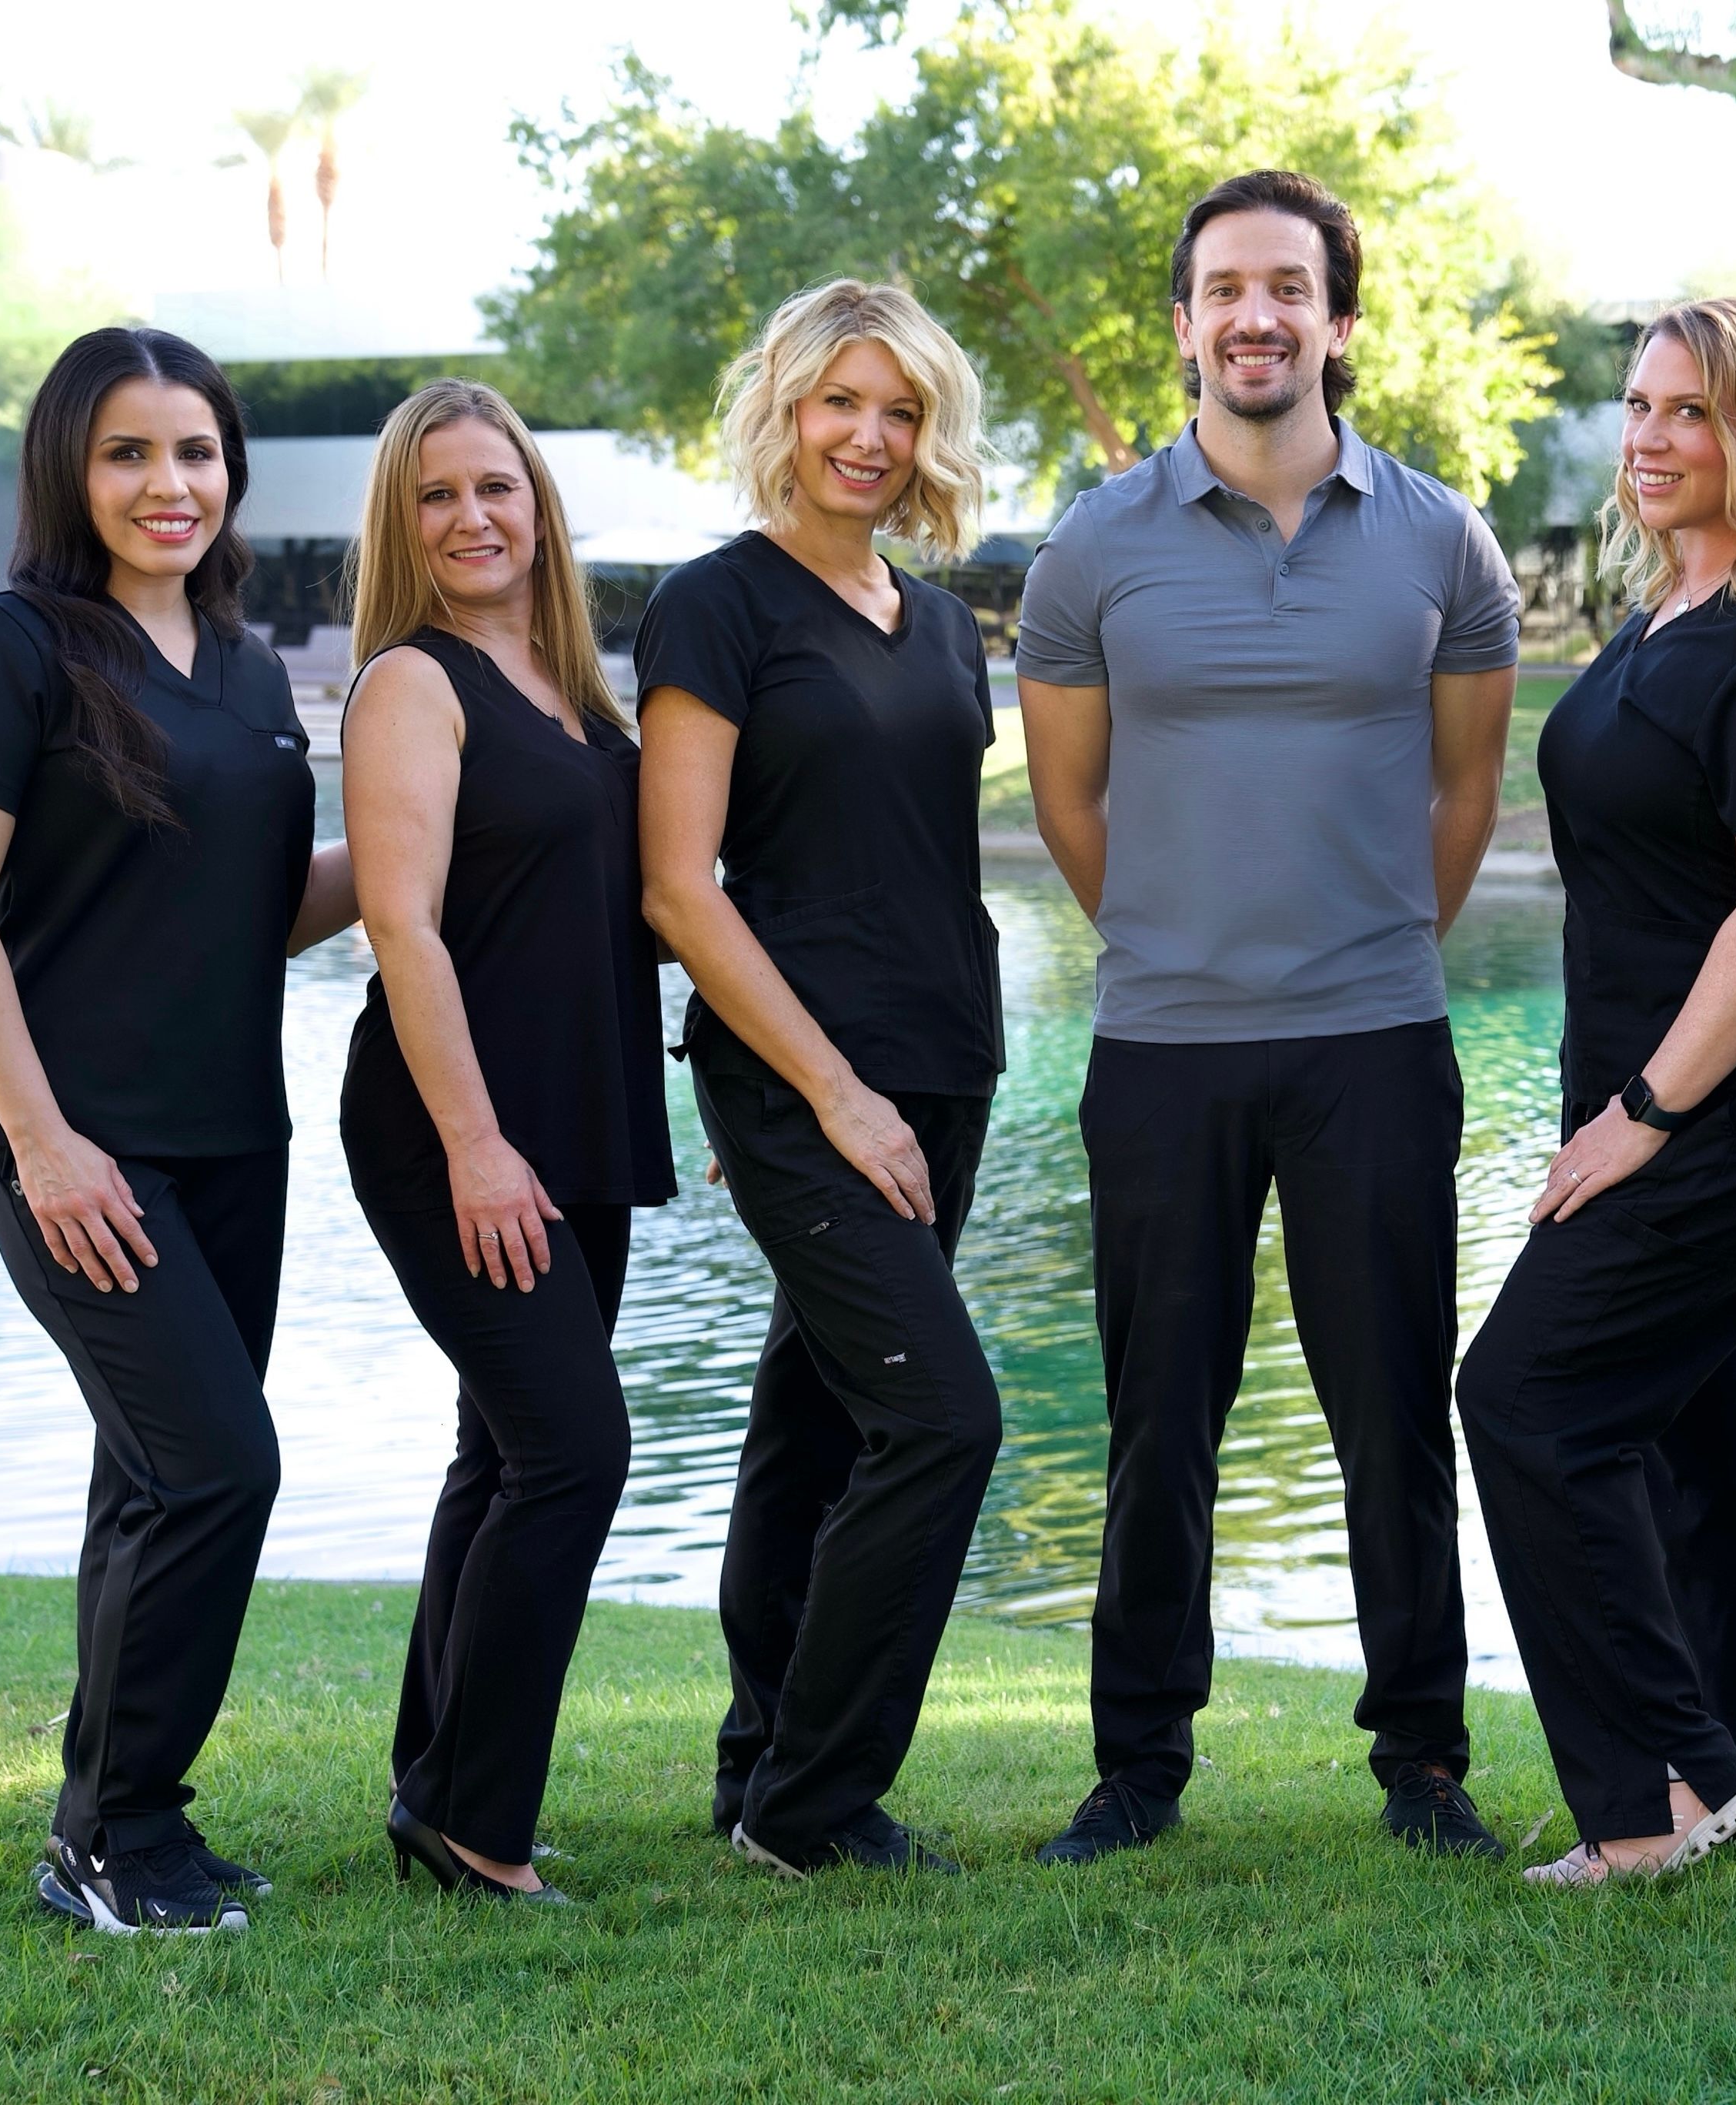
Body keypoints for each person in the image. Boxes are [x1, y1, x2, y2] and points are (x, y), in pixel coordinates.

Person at [1015, 169, 1521, 1864]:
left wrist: (1361, 953)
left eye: (1286, 288)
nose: (1254, 315)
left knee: (1392, 1399)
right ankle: (1137, 1764)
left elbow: (1461, 798)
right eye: (1223, 288)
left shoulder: (1443, 540)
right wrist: (1181, 945)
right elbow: (1072, 809)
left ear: (1337, 322)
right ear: (1182, 325)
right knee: (1160, 1411)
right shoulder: (1090, 546)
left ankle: (1423, 1761)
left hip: (1375, 1040)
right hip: (1162, 1047)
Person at [0, 327, 356, 1934]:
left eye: (196, 453)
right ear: (68, 473)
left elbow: (251, 914)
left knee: (150, 1480)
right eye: (128, 453)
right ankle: (119, 1837)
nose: (169, 485)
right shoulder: (6, 647)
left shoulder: (248, 663)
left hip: (238, 1135)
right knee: (222, 1467)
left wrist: (426, 845)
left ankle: (112, 1820)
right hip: (77, 1146)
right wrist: (38, 1137)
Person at [1454, 297, 1736, 1886]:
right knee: (1702, 1431)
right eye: (1636, 406)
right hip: (1647, 1078)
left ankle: (1663, 1791)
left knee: (1524, 1400)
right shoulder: (1662, 619)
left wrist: (1639, 1120)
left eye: (1689, 411)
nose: (1647, 437)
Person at [637, 279, 1007, 1877]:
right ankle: (815, 1804)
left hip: (947, 1063)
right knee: (941, 1421)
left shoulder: (936, 620)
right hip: (812, 1083)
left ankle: (755, 1766)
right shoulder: (714, 606)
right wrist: (818, 1095)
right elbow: (679, 886)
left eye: (901, 409)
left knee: (817, 1419)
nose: (868, 436)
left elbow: (910, 857)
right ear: (781, 408)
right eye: (839, 401)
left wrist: (904, 1085)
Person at [338, 381, 675, 1903]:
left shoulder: (566, 685)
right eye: (436, 496)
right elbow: (400, 924)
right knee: (571, 1450)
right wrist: (474, 1145)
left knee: (500, 1450)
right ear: (401, 529)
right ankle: (483, 1825)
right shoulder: (412, 683)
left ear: (537, 503)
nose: (473, 518)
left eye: (497, 488)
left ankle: (437, 1788)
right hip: (453, 1122)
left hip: (579, 1112)